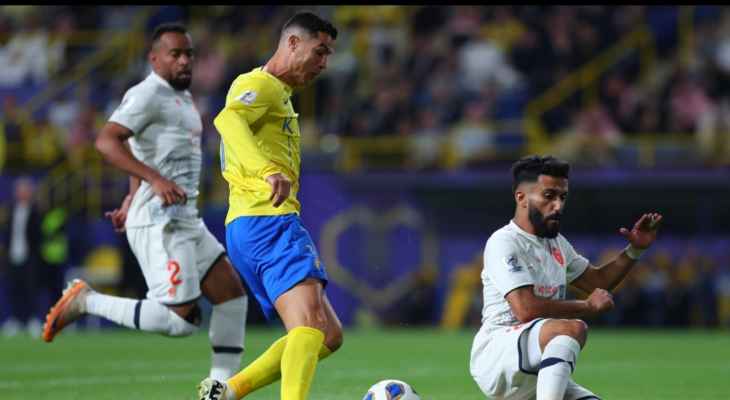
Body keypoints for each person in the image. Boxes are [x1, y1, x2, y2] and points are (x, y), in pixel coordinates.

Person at [42, 23, 249, 381]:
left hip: (183, 215)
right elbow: (107, 141)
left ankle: (219, 388)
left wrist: (130, 194)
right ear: (155, 59)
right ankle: (86, 300)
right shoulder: (146, 94)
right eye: (175, 54)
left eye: (189, 54)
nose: (185, 61)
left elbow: (144, 148)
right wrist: (152, 183)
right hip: (160, 219)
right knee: (180, 322)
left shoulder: (182, 97)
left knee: (232, 297)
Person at [197, 11, 342, 400]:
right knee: (309, 326)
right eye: (320, 51)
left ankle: (228, 391)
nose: (323, 63)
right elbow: (227, 120)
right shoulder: (259, 84)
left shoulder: (279, 95)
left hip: (248, 224)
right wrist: (267, 171)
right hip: (267, 220)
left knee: (327, 335)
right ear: (293, 43)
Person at [469, 155, 663, 400]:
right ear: (522, 198)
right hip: (499, 354)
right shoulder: (504, 242)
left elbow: (596, 283)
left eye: (562, 197)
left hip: (536, 363)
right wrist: (587, 306)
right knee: (572, 328)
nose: (558, 205)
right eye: (549, 196)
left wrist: (634, 250)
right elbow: (525, 309)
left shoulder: (557, 244)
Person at [1, 177, 43, 337]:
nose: (22, 193)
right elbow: (6, 233)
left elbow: (39, 236)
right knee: (13, 289)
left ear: (30, 192)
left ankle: (32, 320)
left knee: (31, 290)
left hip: (30, 256)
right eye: (19, 190)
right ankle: (14, 320)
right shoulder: (10, 210)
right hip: (12, 255)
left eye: (25, 190)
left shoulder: (36, 211)